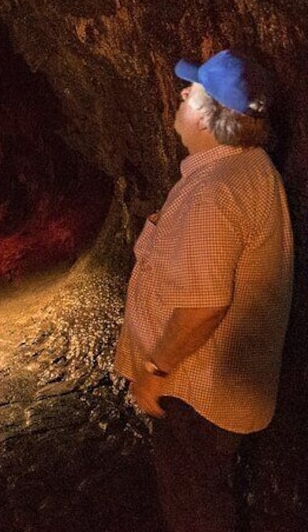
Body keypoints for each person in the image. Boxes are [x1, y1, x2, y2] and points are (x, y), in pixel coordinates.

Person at [114, 49, 293, 531]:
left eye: (190, 90)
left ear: (208, 116)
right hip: (215, 388)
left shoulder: (216, 191)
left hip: (195, 391)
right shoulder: (247, 168)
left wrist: (154, 371)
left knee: (196, 508)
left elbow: (203, 305)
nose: (180, 94)